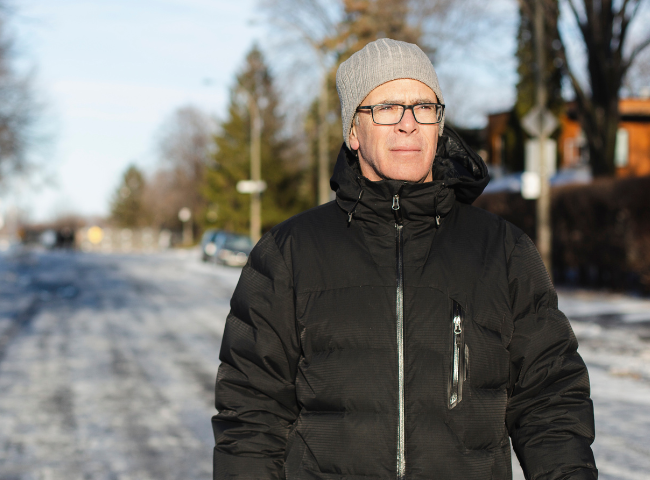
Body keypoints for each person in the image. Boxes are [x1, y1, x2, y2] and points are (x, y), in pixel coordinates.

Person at [211, 38, 596, 479]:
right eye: (387, 108)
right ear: (353, 132)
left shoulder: (502, 251)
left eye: (423, 107)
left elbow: (550, 399)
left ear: (439, 123)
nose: (408, 124)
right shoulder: (288, 253)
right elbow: (251, 414)